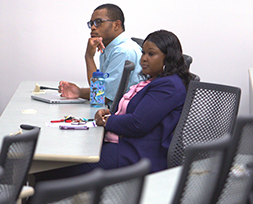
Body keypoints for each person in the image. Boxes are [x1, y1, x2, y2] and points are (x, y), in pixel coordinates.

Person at [36, 30, 190, 180]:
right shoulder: (154, 81)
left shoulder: (168, 85)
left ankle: (38, 202)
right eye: (143, 53)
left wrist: (107, 121)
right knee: (59, 161)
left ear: (168, 58)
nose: (143, 59)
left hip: (137, 155)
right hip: (126, 145)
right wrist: (108, 115)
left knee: (52, 172)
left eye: (151, 54)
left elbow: (138, 123)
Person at [59, 4, 143, 106]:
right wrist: (79, 92)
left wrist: (89, 57)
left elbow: (101, 96)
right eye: (91, 23)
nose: (93, 27)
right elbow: (102, 89)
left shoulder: (123, 52)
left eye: (98, 22)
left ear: (116, 25)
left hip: (121, 115)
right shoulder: (109, 47)